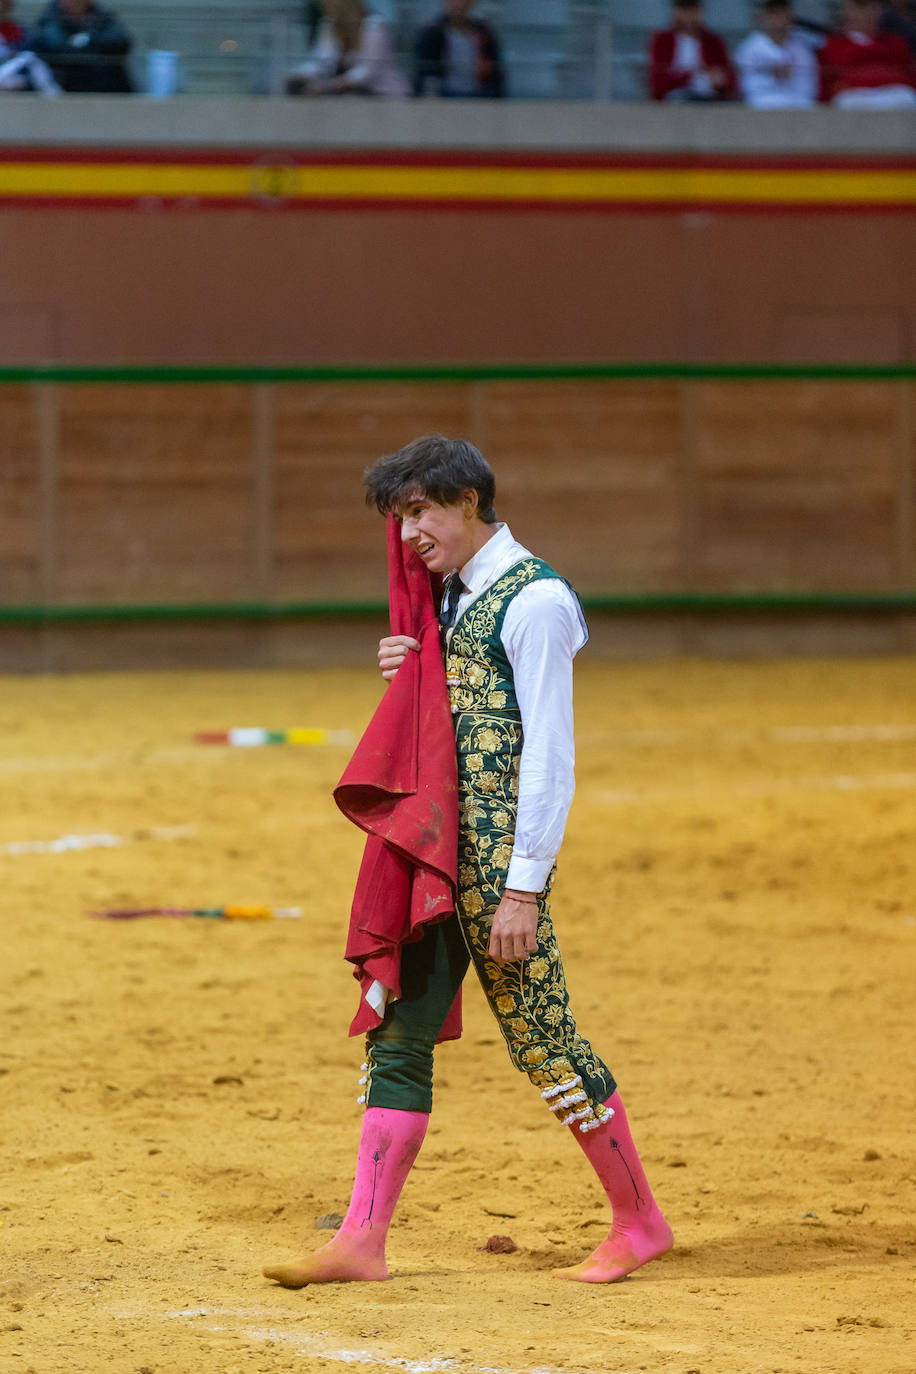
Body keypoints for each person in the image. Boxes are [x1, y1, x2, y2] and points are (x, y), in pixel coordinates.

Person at [263, 435, 673, 1288]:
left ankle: (640, 1223)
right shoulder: (444, 601)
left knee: (546, 1044)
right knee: (398, 1035)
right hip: (432, 858)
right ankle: (361, 1239)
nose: (409, 531)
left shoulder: (536, 602)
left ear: (469, 503)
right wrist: (409, 676)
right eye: (401, 515)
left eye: (421, 511)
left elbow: (550, 758)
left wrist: (523, 887)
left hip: (495, 873)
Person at [286, 0, 406, 97]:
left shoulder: (374, 27)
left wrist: (327, 86)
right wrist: (301, 74)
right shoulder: (332, 27)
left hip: (387, 97)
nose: (327, 14)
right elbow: (323, 62)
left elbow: (366, 73)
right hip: (359, 99)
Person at [819, 0, 916, 105]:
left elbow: (910, 77)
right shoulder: (832, 45)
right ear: (846, 11)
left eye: (875, 7)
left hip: (895, 95)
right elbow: (829, 87)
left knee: (907, 96)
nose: (870, 12)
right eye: (861, 6)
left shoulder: (896, 43)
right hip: (853, 97)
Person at [28, 0, 131, 93]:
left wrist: (89, 39)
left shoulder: (102, 17)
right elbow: (56, 48)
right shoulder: (49, 20)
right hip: (65, 83)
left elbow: (121, 42)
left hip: (102, 84)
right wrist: (86, 47)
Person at [648, 0, 738, 101]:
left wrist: (718, 80)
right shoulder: (662, 40)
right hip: (676, 95)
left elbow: (727, 76)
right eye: (684, 10)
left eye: (693, 10)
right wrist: (691, 77)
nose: (689, 16)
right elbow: (658, 79)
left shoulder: (714, 41)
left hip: (709, 96)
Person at [413, 0, 504, 98]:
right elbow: (427, 71)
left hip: (480, 94)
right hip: (446, 93)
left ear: (472, 4)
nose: (459, 5)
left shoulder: (484, 32)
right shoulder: (432, 32)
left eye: (464, 1)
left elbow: (496, 71)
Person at [736, 0, 818, 106]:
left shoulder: (802, 48)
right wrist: (771, 74)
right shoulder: (750, 48)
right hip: (762, 102)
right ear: (763, 18)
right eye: (773, 15)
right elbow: (746, 88)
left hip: (796, 103)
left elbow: (809, 88)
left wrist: (789, 76)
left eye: (782, 15)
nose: (778, 21)